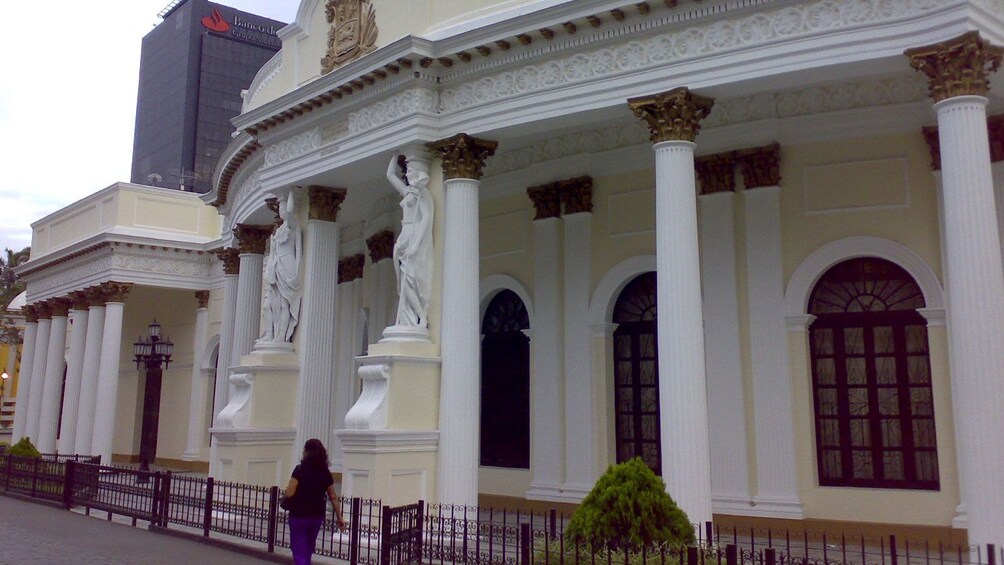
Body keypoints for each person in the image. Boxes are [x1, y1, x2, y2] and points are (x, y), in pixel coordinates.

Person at [386, 155, 434, 328]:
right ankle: (410, 318)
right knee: (402, 281)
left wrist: (416, 243)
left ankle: (421, 317)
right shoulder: (408, 192)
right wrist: (395, 152)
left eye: (411, 170)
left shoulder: (422, 194)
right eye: (407, 170)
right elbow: (390, 175)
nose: (408, 173)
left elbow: (426, 218)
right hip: (404, 235)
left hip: (414, 234)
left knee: (409, 280)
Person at [285, 438, 346, 565]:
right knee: (308, 548)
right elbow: (333, 496)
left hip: (298, 515)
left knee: (298, 549)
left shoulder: (299, 470)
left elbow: (290, 493)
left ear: (306, 451)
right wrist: (340, 517)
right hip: (316, 516)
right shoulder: (325, 472)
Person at [262, 192, 303, 343]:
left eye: (283, 207)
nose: (281, 210)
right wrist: (269, 271)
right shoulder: (278, 231)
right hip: (276, 266)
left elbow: (292, 211)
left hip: (288, 265)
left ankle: (281, 335)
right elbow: (272, 253)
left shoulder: (291, 227)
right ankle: (269, 333)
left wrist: (289, 191)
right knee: (268, 305)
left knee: (285, 303)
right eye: (279, 208)